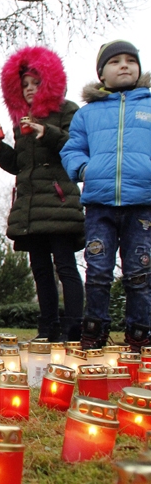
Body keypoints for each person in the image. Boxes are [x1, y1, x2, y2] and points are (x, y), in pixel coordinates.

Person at [0, 46, 84, 342]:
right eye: (24, 85)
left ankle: (74, 329)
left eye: (35, 83)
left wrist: (47, 132)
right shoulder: (21, 122)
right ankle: (47, 329)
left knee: (65, 266)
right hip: (30, 206)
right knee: (40, 269)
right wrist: (0, 152)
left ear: (50, 83)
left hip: (58, 203)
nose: (29, 90)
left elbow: (75, 147)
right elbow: (20, 166)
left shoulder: (68, 111)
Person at [61, 40, 151, 352]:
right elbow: (72, 148)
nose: (124, 65)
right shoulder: (88, 114)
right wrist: (84, 169)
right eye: (115, 62)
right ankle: (93, 332)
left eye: (130, 60)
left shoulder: (149, 107)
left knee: (139, 270)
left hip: (142, 204)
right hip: (99, 204)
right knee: (97, 269)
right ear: (101, 74)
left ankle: (141, 335)